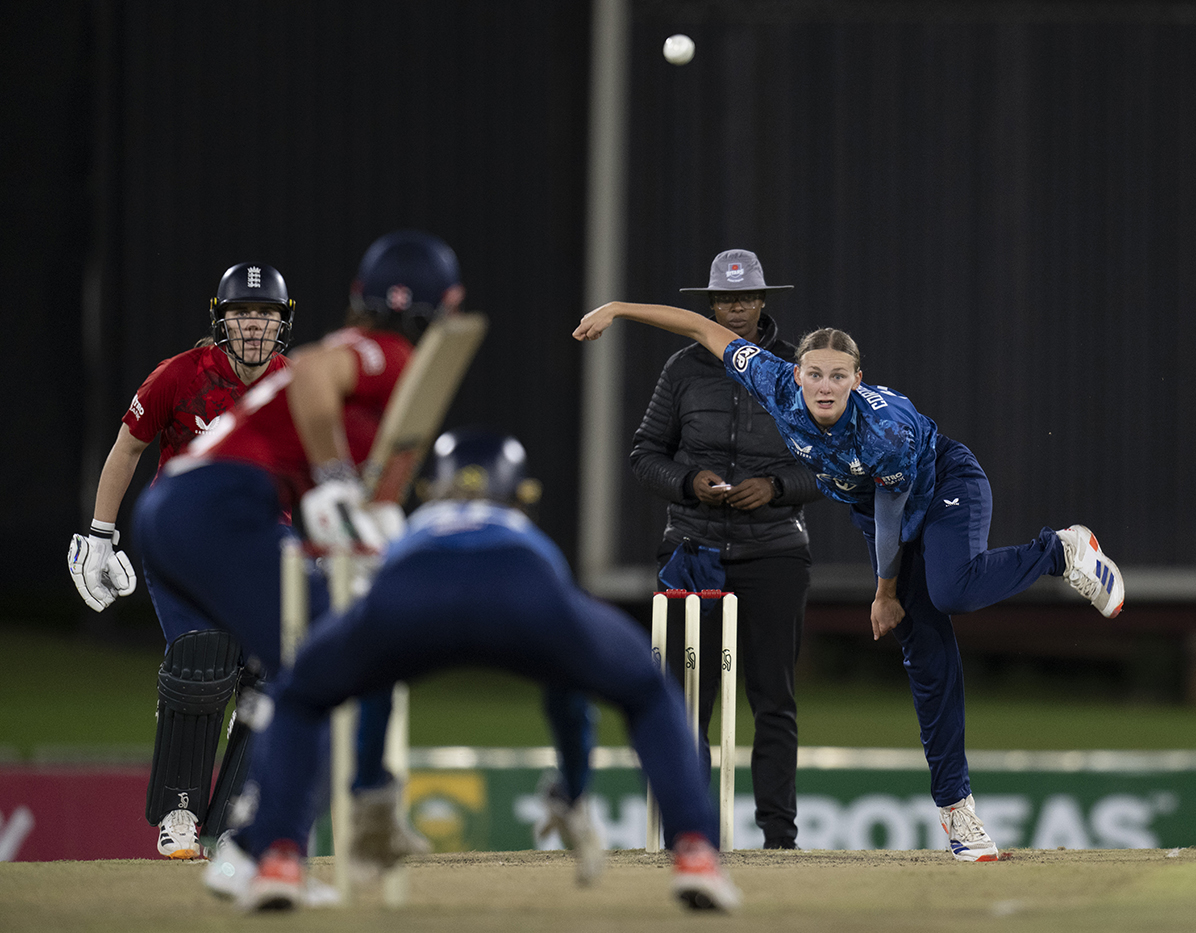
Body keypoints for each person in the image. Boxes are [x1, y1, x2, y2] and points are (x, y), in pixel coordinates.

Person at [575, 301, 1125, 862]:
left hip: (942, 490)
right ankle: (959, 817)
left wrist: (884, 594)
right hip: (878, 511)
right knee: (928, 662)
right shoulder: (771, 378)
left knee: (952, 590)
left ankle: (1059, 550)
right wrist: (617, 308)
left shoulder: (882, 432)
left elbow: (893, 515)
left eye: (839, 376)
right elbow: (700, 327)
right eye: (815, 373)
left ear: (857, 380)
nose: (825, 386)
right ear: (795, 374)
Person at [227, 428, 741, 913]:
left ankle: (277, 860)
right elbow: (568, 693)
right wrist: (573, 788)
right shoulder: (524, 532)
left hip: (410, 590)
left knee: (300, 695)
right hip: (522, 586)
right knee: (648, 692)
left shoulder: (414, 527)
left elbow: (374, 684)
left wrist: (369, 787)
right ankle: (695, 850)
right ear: (522, 494)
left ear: (433, 490)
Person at [129, 231, 462, 871]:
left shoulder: (380, 374)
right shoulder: (385, 354)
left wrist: (361, 519)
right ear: (439, 304)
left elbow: (354, 488)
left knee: (314, 659)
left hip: (191, 513)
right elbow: (311, 374)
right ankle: (307, 830)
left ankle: (260, 843)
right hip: (215, 507)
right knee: (329, 659)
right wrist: (338, 480)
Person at [67, 262, 294, 859]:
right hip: (184, 544)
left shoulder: (298, 385)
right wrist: (98, 534)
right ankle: (180, 813)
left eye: (265, 315)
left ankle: (243, 816)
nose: (253, 326)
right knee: (200, 662)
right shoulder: (180, 376)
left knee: (274, 675)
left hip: (263, 550)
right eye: (243, 314)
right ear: (221, 321)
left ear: (282, 324)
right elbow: (128, 447)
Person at [629, 249, 820, 850]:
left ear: (763, 302)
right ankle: (685, 837)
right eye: (723, 300)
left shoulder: (797, 369)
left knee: (773, 698)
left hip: (774, 551)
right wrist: (690, 483)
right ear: (708, 306)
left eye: (745, 298)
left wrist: (777, 487)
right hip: (693, 547)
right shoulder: (683, 370)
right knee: (686, 703)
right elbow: (644, 454)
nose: (734, 308)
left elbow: (834, 462)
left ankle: (779, 840)